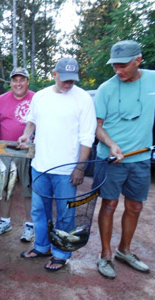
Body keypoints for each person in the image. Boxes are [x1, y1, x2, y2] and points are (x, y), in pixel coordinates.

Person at [17, 57, 96, 271]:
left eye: (72, 80)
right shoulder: (41, 96)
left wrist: (80, 168)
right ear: (55, 74)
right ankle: (42, 246)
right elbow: (32, 120)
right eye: (64, 79)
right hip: (40, 166)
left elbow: (87, 136)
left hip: (66, 171)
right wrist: (26, 135)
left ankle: (61, 253)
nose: (69, 84)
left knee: (65, 214)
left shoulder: (83, 99)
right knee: (39, 211)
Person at [95, 40, 155, 279]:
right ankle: (106, 254)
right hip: (111, 159)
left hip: (140, 158)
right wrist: (111, 144)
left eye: (123, 65)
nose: (118, 71)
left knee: (135, 206)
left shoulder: (152, 80)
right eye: (114, 66)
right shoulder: (105, 89)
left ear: (138, 60)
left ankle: (124, 250)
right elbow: (97, 127)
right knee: (109, 205)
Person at [0, 67, 35, 242]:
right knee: (3, 188)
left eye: (22, 79)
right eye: (15, 80)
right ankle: (4, 221)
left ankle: (29, 226)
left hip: (28, 151)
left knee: (28, 190)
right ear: (10, 82)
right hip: (5, 152)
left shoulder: (37, 99)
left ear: (27, 81)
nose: (18, 83)